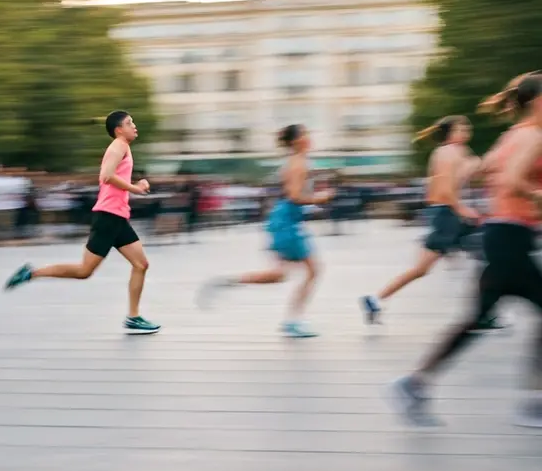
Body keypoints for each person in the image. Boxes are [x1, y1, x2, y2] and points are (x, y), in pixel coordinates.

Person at [389, 73, 542, 428]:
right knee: (481, 319)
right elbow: (511, 180)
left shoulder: (513, 135)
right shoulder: (534, 135)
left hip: (501, 236)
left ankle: (414, 383)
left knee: (476, 320)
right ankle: (534, 400)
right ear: (538, 101)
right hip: (510, 238)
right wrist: (535, 197)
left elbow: (482, 169)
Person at [3, 110, 161, 335]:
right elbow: (106, 175)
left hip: (117, 216)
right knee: (84, 271)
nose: (134, 126)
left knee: (140, 264)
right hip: (108, 217)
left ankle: (133, 317)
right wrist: (136, 188)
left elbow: (110, 178)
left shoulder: (121, 147)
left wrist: (135, 185)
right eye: (129, 123)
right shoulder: (119, 145)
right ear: (118, 129)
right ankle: (31, 273)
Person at [360, 116, 503, 329]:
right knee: (423, 268)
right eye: (461, 128)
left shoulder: (460, 152)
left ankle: (484, 312)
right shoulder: (446, 153)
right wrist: (463, 209)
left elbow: (476, 171)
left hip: (449, 214)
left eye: (467, 127)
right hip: (447, 214)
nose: (466, 131)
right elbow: (445, 190)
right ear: (450, 132)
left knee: (488, 254)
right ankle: (376, 299)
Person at [197, 124, 331, 338]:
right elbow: (295, 196)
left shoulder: (296, 162)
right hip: (287, 222)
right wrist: (320, 198)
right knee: (313, 270)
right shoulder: (298, 163)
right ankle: (293, 321)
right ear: (296, 141)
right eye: (306, 134)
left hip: (283, 220)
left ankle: (229, 282)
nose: (309, 138)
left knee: (278, 275)